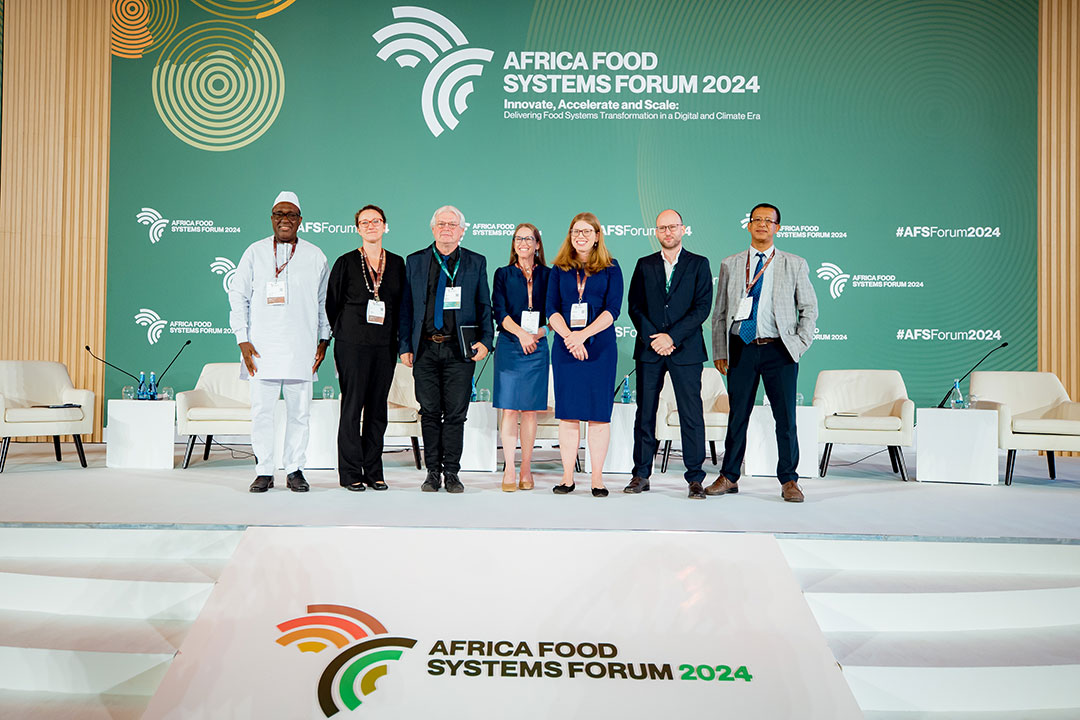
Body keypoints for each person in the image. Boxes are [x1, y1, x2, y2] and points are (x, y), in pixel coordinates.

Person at [709, 203, 818, 502]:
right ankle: (729, 476)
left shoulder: (794, 263)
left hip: (779, 349)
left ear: (777, 228)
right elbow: (719, 313)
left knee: (785, 419)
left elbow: (809, 308)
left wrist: (798, 343)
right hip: (741, 349)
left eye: (768, 221)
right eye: (756, 220)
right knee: (737, 417)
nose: (762, 225)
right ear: (748, 226)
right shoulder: (730, 263)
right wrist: (720, 349)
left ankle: (789, 480)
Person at [228, 190, 330, 493]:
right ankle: (264, 470)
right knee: (261, 412)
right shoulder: (254, 252)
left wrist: (324, 339)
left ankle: (295, 469)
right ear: (271, 219)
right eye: (278, 215)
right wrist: (242, 339)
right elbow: (238, 296)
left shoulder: (315, 255)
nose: (284, 220)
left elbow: (324, 302)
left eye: (291, 215)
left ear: (300, 221)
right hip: (261, 348)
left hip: (302, 347)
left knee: (300, 413)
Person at [399, 205, 493, 493]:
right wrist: (404, 345)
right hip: (425, 349)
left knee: (455, 414)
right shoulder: (415, 261)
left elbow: (483, 306)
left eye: (452, 224)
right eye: (441, 224)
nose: (446, 228)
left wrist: (486, 342)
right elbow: (406, 308)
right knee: (429, 412)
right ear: (433, 228)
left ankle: (451, 472)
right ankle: (432, 472)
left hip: (459, 350)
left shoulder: (476, 262)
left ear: (462, 231)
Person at [625, 209, 714, 499]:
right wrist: (656, 339)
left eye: (672, 227)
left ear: (683, 229)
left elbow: (702, 308)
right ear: (656, 231)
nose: (668, 232)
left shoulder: (699, 264)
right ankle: (641, 474)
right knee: (646, 413)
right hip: (650, 351)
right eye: (662, 228)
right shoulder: (644, 265)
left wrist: (672, 337)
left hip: (685, 350)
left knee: (691, 414)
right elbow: (635, 307)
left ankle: (695, 478)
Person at [326, 204, 405, 492]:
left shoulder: (397, 264)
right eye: (365, 222)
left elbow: (400, 307)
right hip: (351, 345)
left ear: (385, 226)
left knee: (377, 410)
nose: (371, 225)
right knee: (352, 408)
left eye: (377, 221)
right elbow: (332, 305)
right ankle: (350, 473)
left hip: (384, 346)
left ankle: (374, 470)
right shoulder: (345, 262)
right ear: (357, 228)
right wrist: (343, 335)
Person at [546, 212, 623, 497]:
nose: (581, 236)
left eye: (587, 232)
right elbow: (551, 310)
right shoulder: (559, 269)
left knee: (598, 416)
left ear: (596, 237)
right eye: (576, 231)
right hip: (566, 349)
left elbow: (613, 310)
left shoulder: (612, 268)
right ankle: (568, 477)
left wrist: (583, 335)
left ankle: (597, 479)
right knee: (568, 414)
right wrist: (569, 337)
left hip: (599, 348)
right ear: (570, 236)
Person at [492, 223, 550, 492]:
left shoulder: (550, 275)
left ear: (537, 244)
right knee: (509, 408)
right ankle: (509, 467)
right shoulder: (503, 274)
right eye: (518, 238)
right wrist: (521, 335)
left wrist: (535, 336)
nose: (523, 242)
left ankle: (526, 467)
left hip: (537, 348)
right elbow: (500, 312)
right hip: (510, 345)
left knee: (529, 410)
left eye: (529, 238)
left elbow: (555, 314)